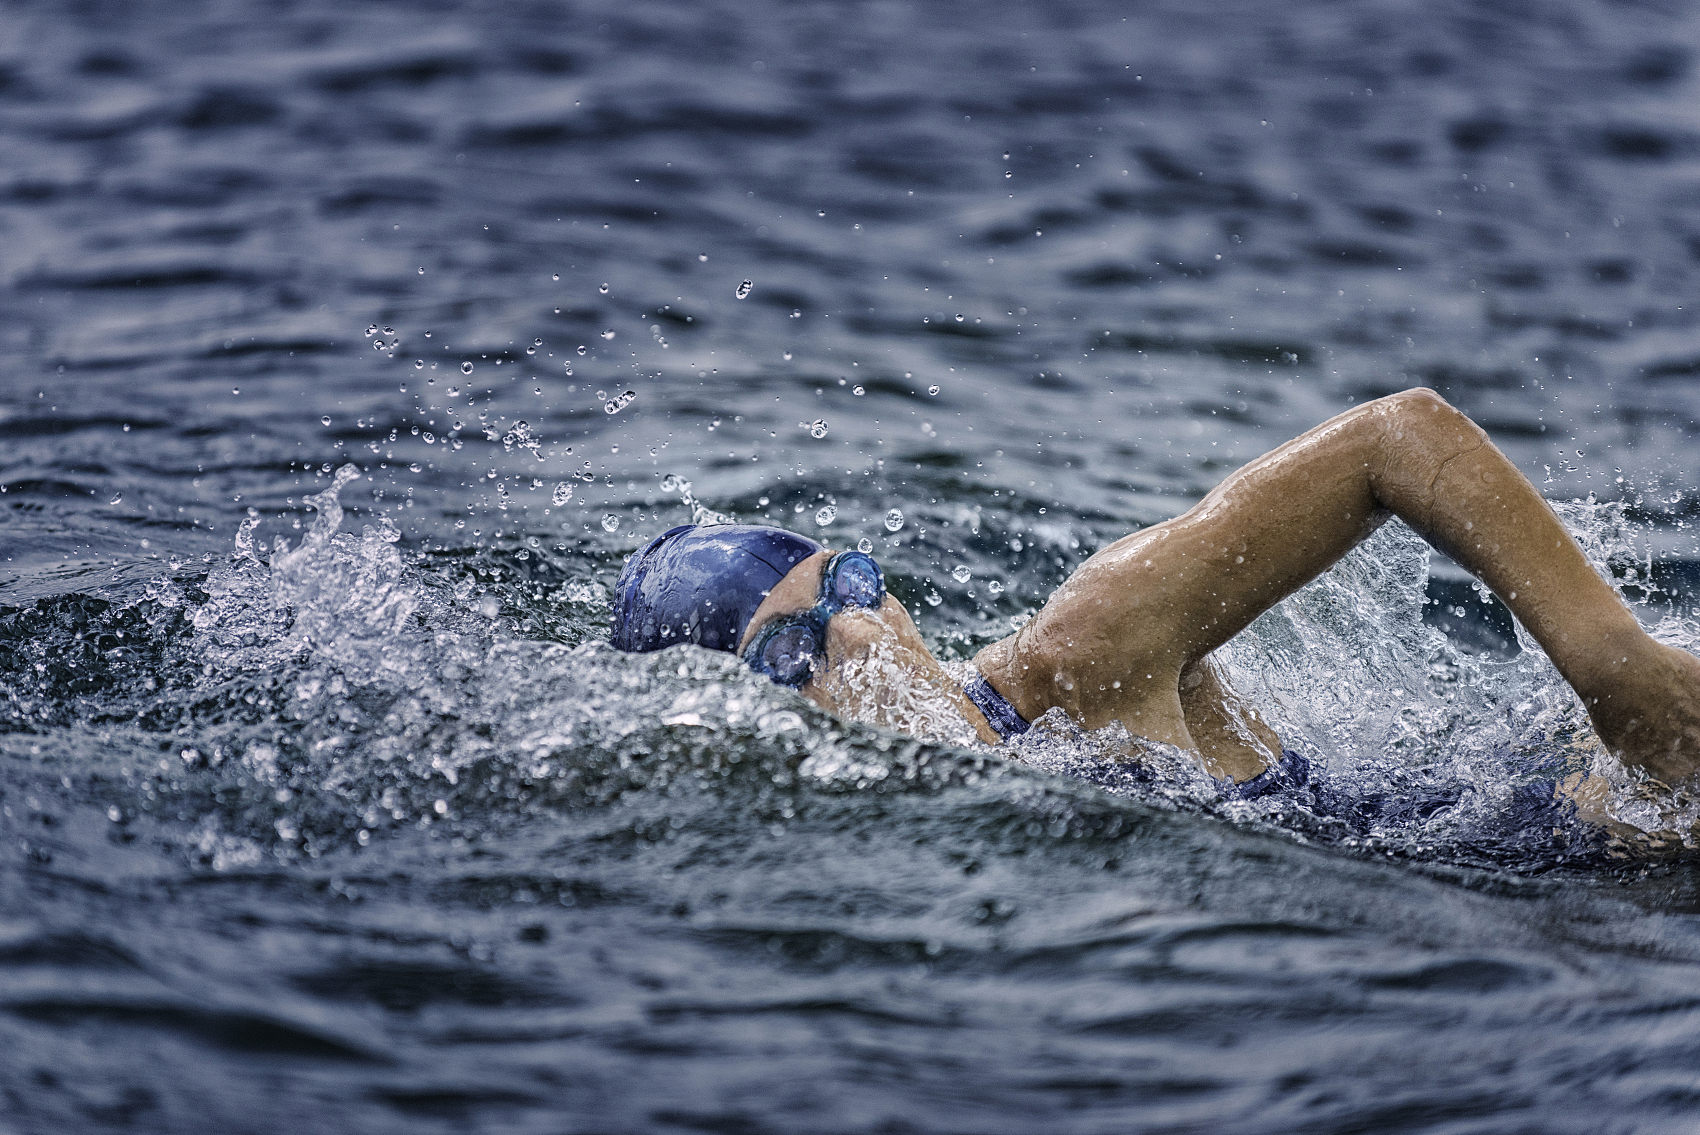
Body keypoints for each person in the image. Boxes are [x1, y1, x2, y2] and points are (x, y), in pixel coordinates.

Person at [611, 388, 1700, 800]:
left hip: (1594, 807)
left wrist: (1617, 673)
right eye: (789, 649)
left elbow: (1395, 435)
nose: (853, 629)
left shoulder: (1075, 656)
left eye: (847, 583)